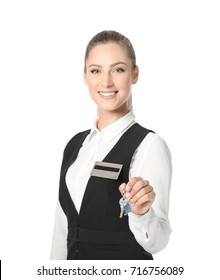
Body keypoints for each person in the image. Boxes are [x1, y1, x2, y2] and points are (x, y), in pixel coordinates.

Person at [50, 30, 172, 260]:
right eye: (96, 71)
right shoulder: (75, 145)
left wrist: (140, 213)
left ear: (134, 74)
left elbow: (159, 240)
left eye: (118, 69)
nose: (106, 82)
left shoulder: (149, 145)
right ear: (85, 76)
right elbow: (63, 228)